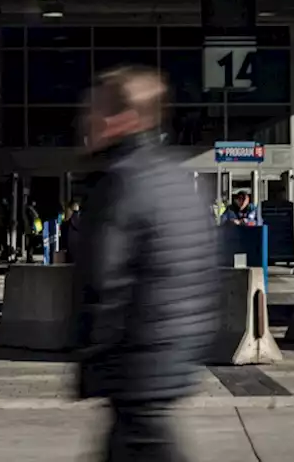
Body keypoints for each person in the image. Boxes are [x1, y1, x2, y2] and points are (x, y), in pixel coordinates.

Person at [75, 66, 217, 462]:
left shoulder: (121, 181)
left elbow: (101, 283)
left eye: (95, 111)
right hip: (170, 357)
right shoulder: (179, 180)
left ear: (124, 118)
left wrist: (90, 357)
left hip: (135, 364)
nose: (86, 121)